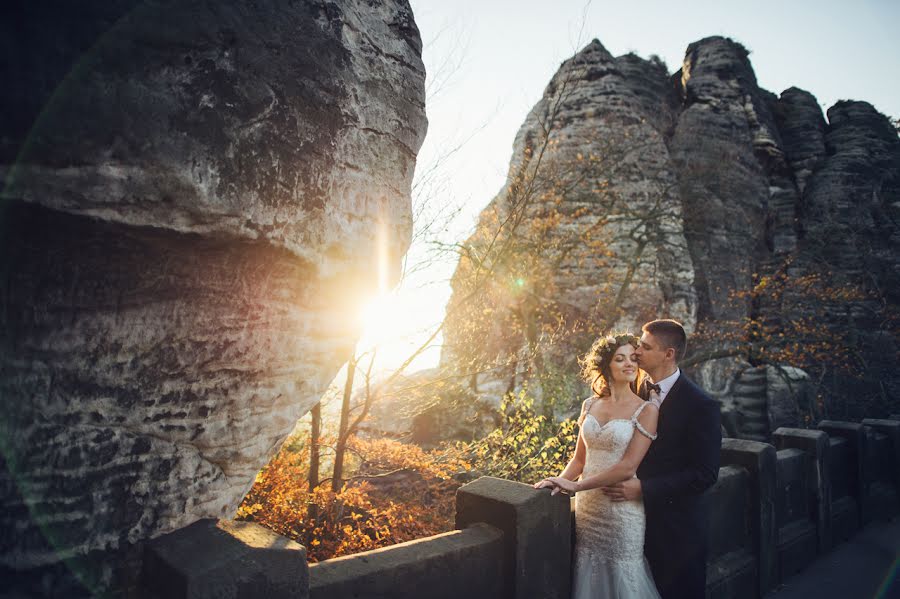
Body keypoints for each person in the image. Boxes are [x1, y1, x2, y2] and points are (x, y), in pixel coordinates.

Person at [534, 332, 662, 599]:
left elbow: (627, 467)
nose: (629, 364)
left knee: (622, 577)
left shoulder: (647, 411)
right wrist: (558, 482)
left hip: (620, 510)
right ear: (606, 366)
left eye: (632, 359)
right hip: (588, 511)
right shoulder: (589, 404)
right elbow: (580, 459)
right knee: (589, 574)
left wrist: (577, 485)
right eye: (620, 359)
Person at [601, 319, 721, 599]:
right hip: (629, 525)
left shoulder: (701, 405)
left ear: (669, 354)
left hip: (677, 532)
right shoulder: (634, 392)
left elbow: (705, 474)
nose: (637, 352)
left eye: (645, 346)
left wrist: (644, 488)